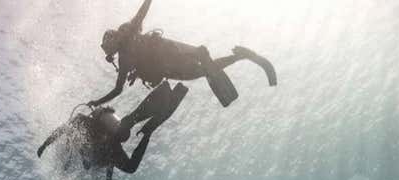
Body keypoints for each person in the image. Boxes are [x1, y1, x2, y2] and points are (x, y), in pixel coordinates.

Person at [90, 0, 277, 108]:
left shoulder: (129, 31)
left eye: (105, 44)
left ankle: (231, 55)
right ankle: (240, 56)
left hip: (168, 52)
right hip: (166, 67)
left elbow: (143, 11)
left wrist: (97, 102)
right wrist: (97, 102)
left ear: (112, 38)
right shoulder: (123, 63)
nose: (106, 48)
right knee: (202, 71)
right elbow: (118, 89)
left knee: (201, 57)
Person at [37, 80, 188, 180]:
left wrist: (45, 144)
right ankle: (147, 132)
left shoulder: (81, 135)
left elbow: (63, 129)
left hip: (107, 135)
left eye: (86, 164)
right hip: (111, 141)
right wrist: (108, 179)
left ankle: (159, 96)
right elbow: (110, 160)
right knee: (130, 166)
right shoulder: (93, 155)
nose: (86, 165)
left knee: (123, 130)